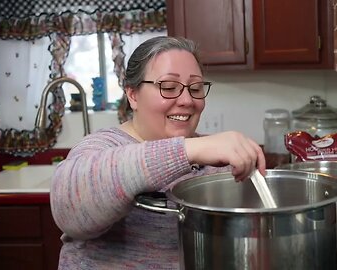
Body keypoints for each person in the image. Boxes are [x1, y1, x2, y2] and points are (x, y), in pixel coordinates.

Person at [50, 36, 266, 269]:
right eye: (169, 87)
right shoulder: (104, 146)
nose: (186, 100)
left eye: (195, 88)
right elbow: (69, 208)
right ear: (133, 95)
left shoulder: (218, 161)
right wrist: (188, 149)